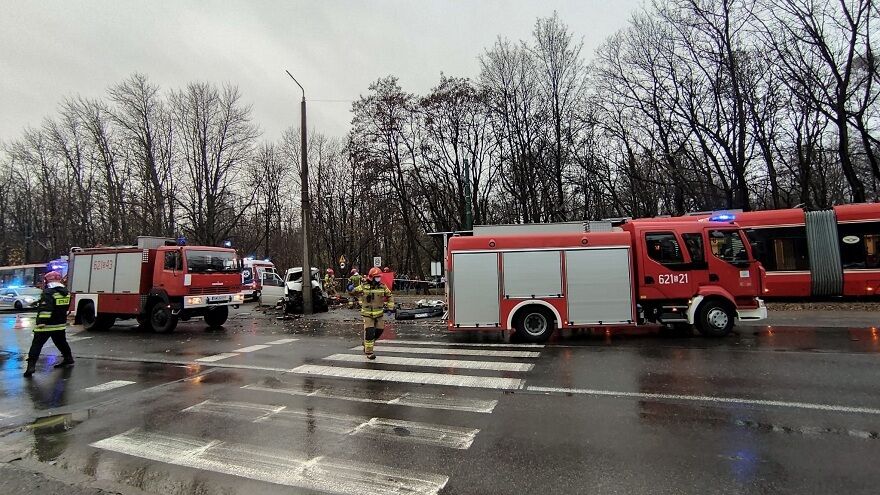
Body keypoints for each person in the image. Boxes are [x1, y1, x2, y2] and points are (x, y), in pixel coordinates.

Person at [24, 271, 74, 377]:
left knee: (37, 345)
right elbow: (64, 307)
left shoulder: (48, 292)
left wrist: (41, 322)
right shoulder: (66, 292)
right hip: (60, 324)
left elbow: (46, 309)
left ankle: (31, 366)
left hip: (47, 325)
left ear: (48, 280)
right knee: (61, 342)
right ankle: (68, 359)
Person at [351, 267, 394, 360]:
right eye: (377, 277)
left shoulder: (383, 286)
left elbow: (390, 296)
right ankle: (369, 352)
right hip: (367, 314)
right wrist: (351, 290)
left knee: (380, 330)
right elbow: (353, 292)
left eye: (379, 277)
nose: (379, 278)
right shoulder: (364, 286)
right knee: (370, 332)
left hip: (379, 314)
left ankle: (366, 343)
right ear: (371, 277)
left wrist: (390, 308)